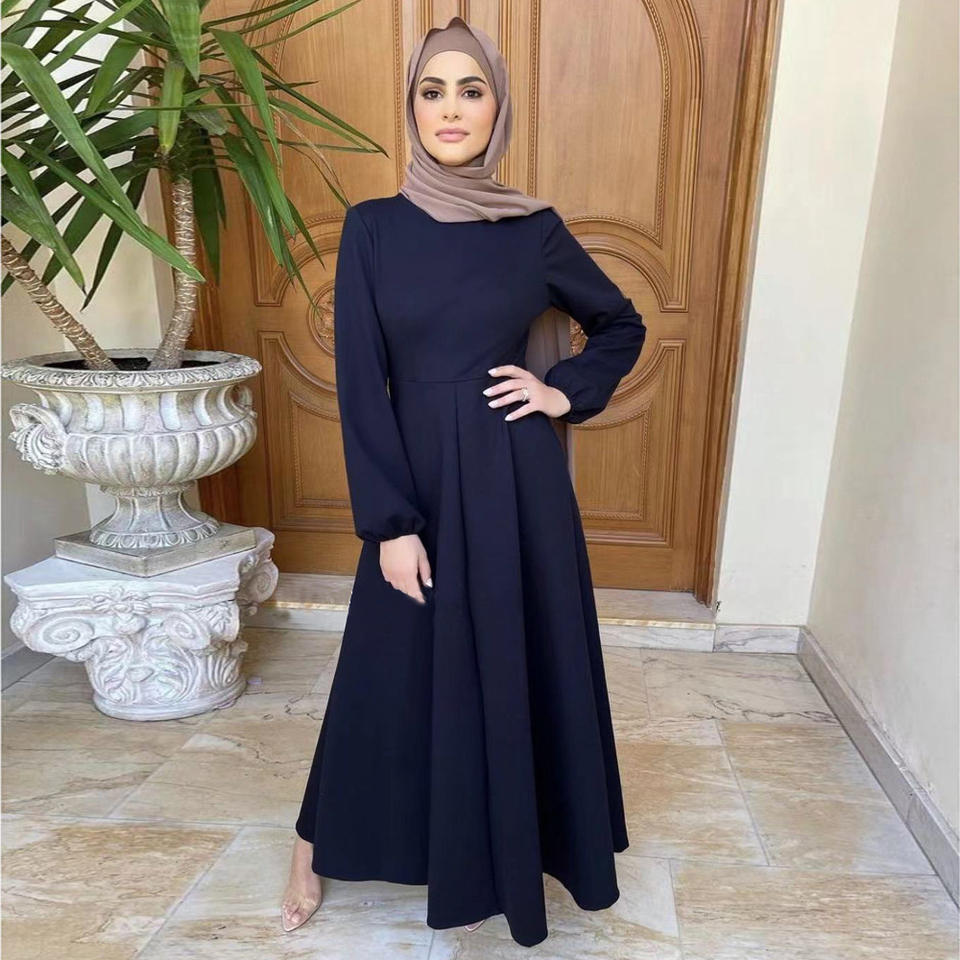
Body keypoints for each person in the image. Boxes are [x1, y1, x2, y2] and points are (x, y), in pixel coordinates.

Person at [280, 15, 647, 948]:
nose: (451, 109)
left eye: (471, 91)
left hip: (518, 485)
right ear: (411, 108)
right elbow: (360, 383)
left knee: (522, 659)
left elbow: (621, 324)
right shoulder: (373, 229)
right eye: (432, 91)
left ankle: (506, 848)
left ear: (498, 109)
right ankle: (311, 846)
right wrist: (390, 522)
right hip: (417, 486)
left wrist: (561, 392)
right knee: (386, 667)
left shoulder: (533, 231)